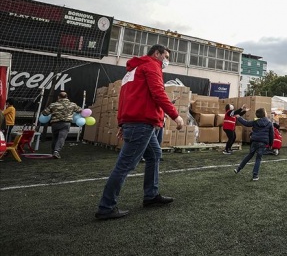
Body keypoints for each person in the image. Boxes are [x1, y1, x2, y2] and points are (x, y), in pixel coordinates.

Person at [95, 44, 184, 220]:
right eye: (166, 56)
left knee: (155, 154)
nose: (167, 61)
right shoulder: (152, 66)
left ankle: (151, 195)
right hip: (142, 122)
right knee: (125, 165)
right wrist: (175, 115)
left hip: (136, 121)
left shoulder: (132, 71)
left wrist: (122, 122)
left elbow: (124, 98)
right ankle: (106, 207)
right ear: (157, 54)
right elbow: (158, 93)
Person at [233, 107, 273, 181]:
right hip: (263, 142)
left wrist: (239, 117)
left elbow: (246, 123)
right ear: (264, 114)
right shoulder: (269, 123)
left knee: (249, 155)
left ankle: (238, 169)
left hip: (254, 141)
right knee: (258, 158)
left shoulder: (255, 121)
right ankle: (255, 175)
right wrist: (271, 144)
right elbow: (271, 135)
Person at [41, 92, 82, 159]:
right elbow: (80, 110)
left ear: (58, 97)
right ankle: (56, 151)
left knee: (55, 138)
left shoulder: (53, 105)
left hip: (55, 124)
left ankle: (53, 151)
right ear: (67, 97)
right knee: (61, 138)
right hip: (66, 123)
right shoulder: (72, 105)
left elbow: (44, 113)